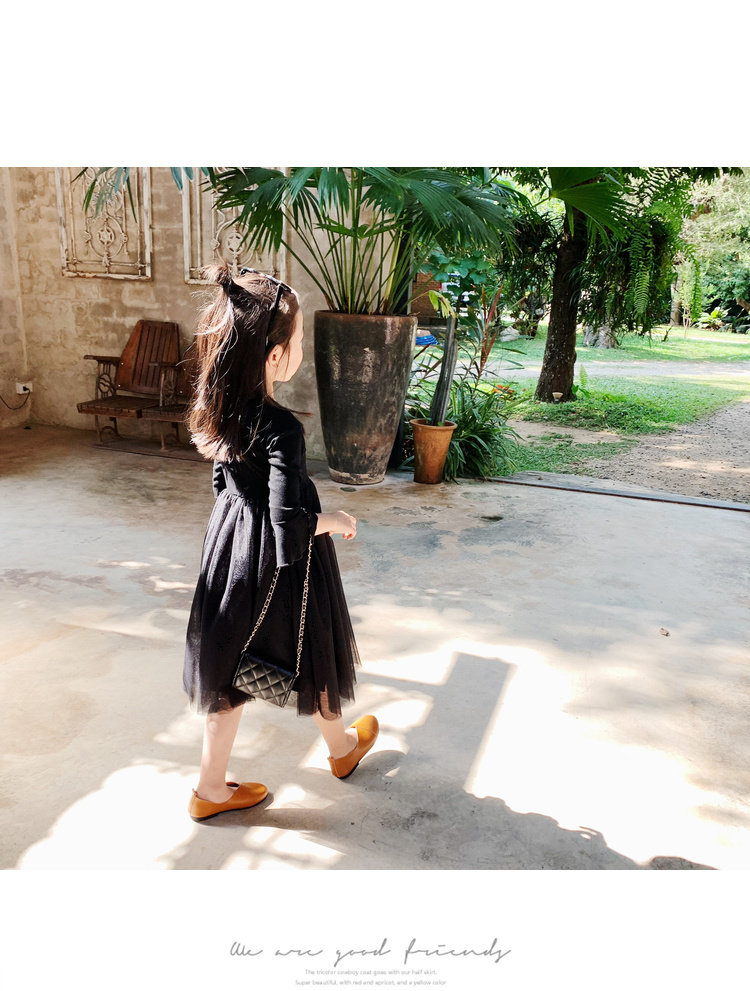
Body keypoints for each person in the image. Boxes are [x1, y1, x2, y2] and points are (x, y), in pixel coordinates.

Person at [183, 264, 379, 822]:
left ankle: (213, 787)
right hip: (282, 562)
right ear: (274, 356)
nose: (300, 351)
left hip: (232, 551)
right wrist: (334, 518)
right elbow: (290, 527)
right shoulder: (282, 428)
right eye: (297, 341)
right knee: (312, 646)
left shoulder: (220, 406)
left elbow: (223, 484)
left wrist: (237, 532)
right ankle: (340, 750)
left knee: (229, 666)